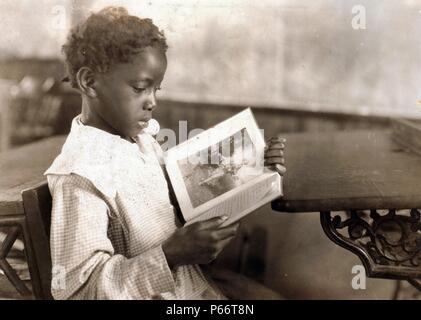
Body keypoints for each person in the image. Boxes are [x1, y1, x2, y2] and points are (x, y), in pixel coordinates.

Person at [45, 6, 286, 300]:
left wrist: (254, 167)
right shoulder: (80, 174)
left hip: (187, 287)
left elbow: (178, 201)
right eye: (140, 88)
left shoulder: (139, 140)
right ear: (89, 82)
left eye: (156, 89)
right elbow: (77, 291)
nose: (152, 102)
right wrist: (171, 255)